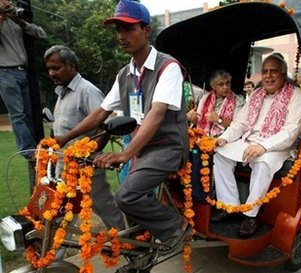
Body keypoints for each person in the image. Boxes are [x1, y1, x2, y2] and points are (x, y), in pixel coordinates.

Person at [55, 0, 191, 254]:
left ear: (146, 30)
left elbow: (156, 113)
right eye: (118, 29)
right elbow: (100, 113)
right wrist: (66, 138)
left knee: (125, 196)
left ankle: (177, 227)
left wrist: (124, 154)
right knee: (130, 202)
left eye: (129, 28)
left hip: (166, 147)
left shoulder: (167, 67)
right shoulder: (124, 74)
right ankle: (141, 252)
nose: (121, 36)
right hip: (140, 148)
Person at [212, 53, 301, 237]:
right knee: (220, 154)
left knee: (262, 163)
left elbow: (291, 131)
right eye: (265, 71)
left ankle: (250, 215)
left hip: (278, 146)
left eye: (274, 71)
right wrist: (225, 137)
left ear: (283, 73)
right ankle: (230, 206)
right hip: (249, 140)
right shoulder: (256, 94)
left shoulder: (295, 95)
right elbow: (240, 123)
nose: (268, 76)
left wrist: (264, 146)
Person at [43, 45, 125, 231]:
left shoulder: (87, 91)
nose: (51, 73)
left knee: (104, 207)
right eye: (49, 69)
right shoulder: (62, 92)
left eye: (56, 68)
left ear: (71, 65)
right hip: (65, 166)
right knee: (63, 211)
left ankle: (128, 245)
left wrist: (90, 156)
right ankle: (54, 257)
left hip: (86, 166)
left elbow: (106, 127)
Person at [0, 0, 47, 159]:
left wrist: (19, 21)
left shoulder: (16, 20)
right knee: (17, 115)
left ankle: (37, 147)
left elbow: (41, 33)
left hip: (24, 71)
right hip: (5, 72)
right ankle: (28, 151)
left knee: (29, 113)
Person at [186, 69, 245, 137]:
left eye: (227, 83)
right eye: (221, 84)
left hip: (226, 140)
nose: (225, 87)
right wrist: (193, 119)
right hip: (203, 138)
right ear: (213, 86)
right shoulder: (205, 98)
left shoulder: (238, 100)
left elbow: (238, 125)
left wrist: (218, 120)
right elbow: (199, 123)